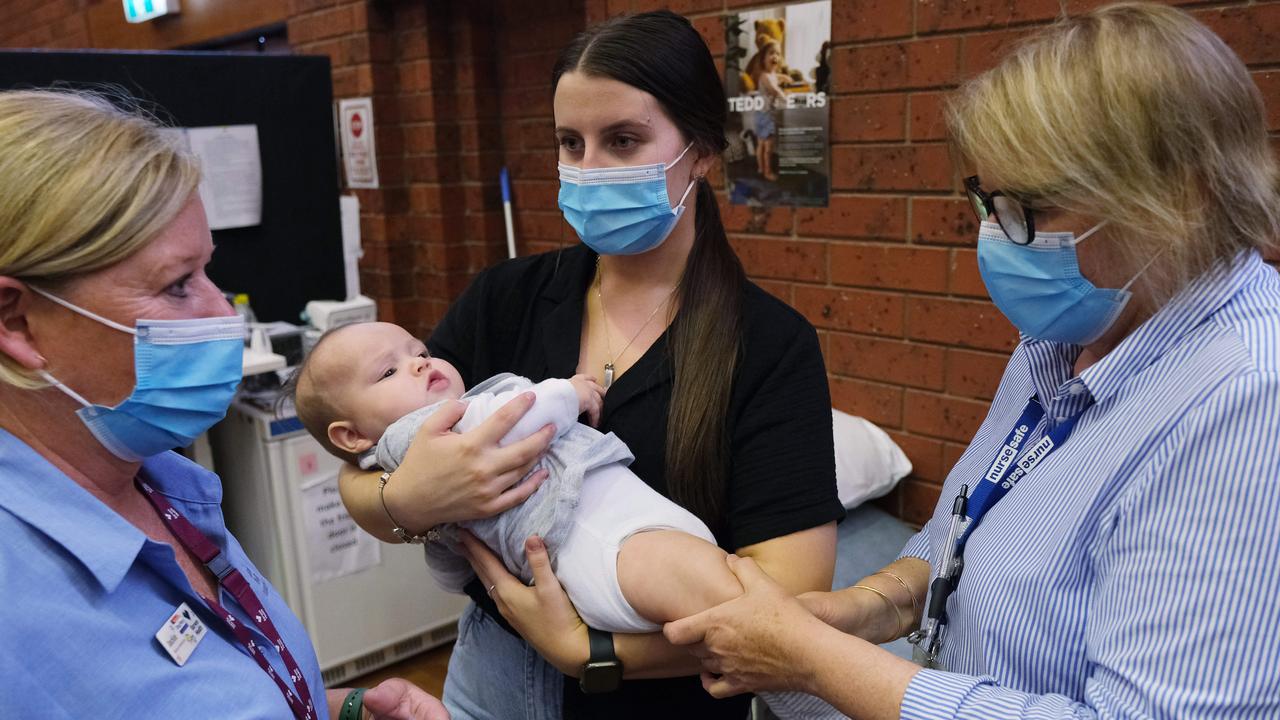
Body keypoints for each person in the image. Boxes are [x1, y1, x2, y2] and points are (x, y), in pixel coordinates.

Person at [663, 3, 1280, 718]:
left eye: (1028, 209)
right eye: (986, 201)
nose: (995, 239)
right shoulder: (1072, 335)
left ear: (1178, 200)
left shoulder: (1247, 400)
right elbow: (963, 527)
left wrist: (815, 662)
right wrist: (865, 609)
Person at [337, 10, 844, 720]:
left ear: (700, 149)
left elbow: (788, 599)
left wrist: (592, 652)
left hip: (662, 694)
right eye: (570, 143)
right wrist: (407, 500)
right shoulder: (506, 299)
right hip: (489, 672)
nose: (588, 168)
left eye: (623, 140)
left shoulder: (767, 346)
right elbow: (366, 464)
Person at [0, 88, 455, 720]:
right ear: (16, 323)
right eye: (178, 284)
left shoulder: (160, 485)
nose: (223, 312)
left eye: (208, 273)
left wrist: (333, 710)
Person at [294, 321, 842, 719]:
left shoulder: (772, 343)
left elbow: (448, 562)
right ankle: (829, 697)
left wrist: (442, 540)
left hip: (618, 552)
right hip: (606, 547)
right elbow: (519, 415)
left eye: (419, 350)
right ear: (351, 437)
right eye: (389, 370)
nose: (419, 362)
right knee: (748, 617)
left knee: (739, 610)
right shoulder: (426, 432)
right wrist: (570, 391)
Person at [749, 39, 786, 181]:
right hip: (765, 116)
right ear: (763, 58)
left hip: (760, 114)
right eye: (771, 53)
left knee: (761, 144)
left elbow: (777, 77)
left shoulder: (771, 75)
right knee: (768, 146)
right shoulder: (765, 76)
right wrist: (785, 98)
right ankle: (767, 172)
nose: (775, 56)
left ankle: (760, 168)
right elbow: (774, 89)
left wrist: (786, 78)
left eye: (778, 53)